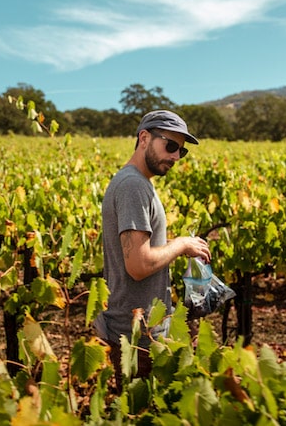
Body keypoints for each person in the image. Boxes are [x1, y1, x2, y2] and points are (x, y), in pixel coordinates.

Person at [94, 109, 211, 391]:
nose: (175, 156)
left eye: (181, 152)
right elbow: (138, 265)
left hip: (138, 327)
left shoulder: (138, 182)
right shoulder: (133, 185)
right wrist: (181, 244)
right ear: (144, 138)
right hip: (136, 333)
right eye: (170, 146)